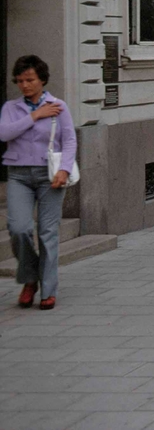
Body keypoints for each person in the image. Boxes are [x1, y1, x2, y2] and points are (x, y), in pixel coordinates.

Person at [1, 55, 76, 310]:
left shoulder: (58, 106)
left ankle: (48, 290)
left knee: (47, 233)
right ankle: (30, 278)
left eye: (30, 80)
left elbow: (69, 140)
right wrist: (34, 116)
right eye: (20, 81)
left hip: (50, 176)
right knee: (18, 228)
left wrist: (64, 169)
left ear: (42, 79)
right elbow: (4, 133)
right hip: (19, 175)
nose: (25, 85)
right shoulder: (10, 108)